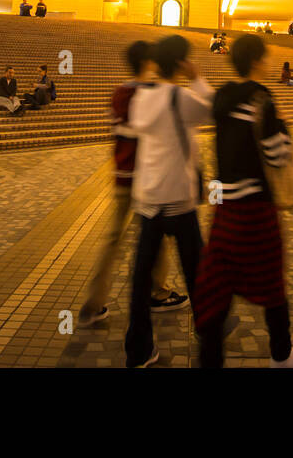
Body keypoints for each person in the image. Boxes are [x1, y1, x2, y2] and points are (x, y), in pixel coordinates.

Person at [194, 34, 293, 367]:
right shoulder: (261, 99)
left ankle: (209, 359)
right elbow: (276, 156)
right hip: (257, 208)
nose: (269, 61)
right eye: (265, 56)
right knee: (272, 284)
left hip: (225, 208)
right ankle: (283, 355)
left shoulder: (222, 98)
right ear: (255, 61)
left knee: (216, 287)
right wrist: (285, 132)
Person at [124, 35, 214, 367]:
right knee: (197, 272)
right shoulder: (181, 97)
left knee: (141, 277)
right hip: (177, 198)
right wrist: (196, 78)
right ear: (180, 63)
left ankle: (138, 350)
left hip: (148, 198)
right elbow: (213, 109)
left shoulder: (141, 98)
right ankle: (209, 334)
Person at [79, 41, 183, 327]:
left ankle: (93, 303)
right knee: (155, 234)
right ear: (149, 62)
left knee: (113, 238)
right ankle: (158, 292)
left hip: (122, 176)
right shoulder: (152, 92)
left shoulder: (119, 93)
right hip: (148, 178)